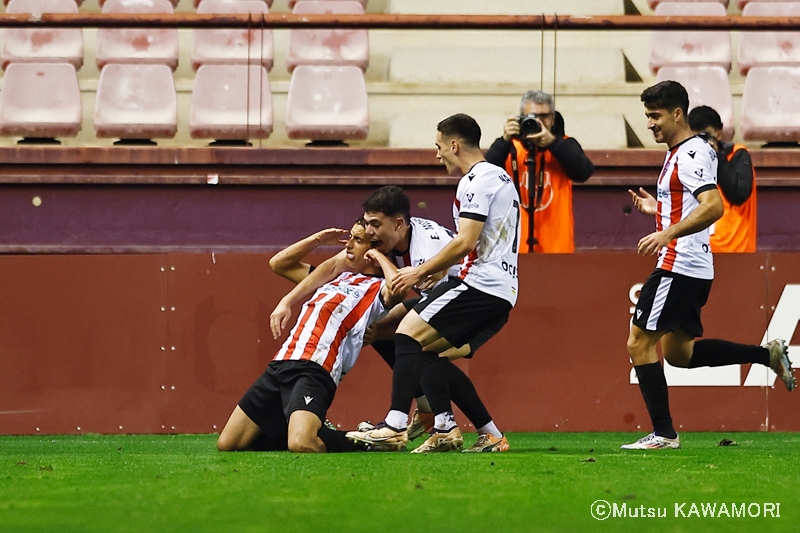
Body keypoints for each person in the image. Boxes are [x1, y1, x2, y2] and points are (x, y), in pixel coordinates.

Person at [270, 187, 511, 453]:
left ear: (397, 224)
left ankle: (424, 422)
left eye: (373, 227)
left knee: (420, 342)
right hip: (462, 292)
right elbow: (315, 266)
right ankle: (450, 422)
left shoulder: (417, 254)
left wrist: (382, 261)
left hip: (479, 299)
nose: (368, 235)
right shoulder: (389, 246)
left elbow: (404, 291)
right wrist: (291, 292)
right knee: (387, 331)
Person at [624, 81, 795, 451]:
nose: (650, 124)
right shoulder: (682, 152)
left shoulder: (690, 153)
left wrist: (668, 231)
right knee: (679, 355)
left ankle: (665, 434)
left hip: (678, 263)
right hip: (694, 266)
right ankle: (766, 355)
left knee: (638, 343)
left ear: (677, 114)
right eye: (647, 116)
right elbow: (693, 204)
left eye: (655, 116)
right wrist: (659, 210)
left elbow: (714, 205)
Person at [347, 113, 521, 453]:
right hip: (497, 286)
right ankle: (467, 430)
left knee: (406, 333)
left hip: (480, 283)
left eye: (439, 146)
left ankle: (396, 424)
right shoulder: (497, 177)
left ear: (454, 144)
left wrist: (416, 273)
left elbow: (466, 242)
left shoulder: (477, 180)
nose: (437, 153)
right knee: (421, 347)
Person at [216, 219, 403, 453]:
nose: (348, 245)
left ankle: (372, 441)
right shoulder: (335, 276)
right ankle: (315, 427)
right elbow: (279, 263)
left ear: (374, 250)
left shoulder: (377, 289)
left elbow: (398, 287)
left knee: (301, 443)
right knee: (229, 444)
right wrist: (317, 240)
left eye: (358, 240)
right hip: (282, 361)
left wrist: (380, 256)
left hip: (316, 367)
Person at [485, 90, 594, 253]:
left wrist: (553, 143)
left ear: (552, 118)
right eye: (531, 117)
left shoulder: (565, 144)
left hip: (556, 245)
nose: (537, 122)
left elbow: (583, 172)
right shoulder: (509, 147)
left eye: (543, 117)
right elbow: (484, 176)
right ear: (520, 117)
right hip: (514, 247)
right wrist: (504, 140)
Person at [687, 105, 757, 253]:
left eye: (705, 136)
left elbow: (739, 194)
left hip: (735, 251)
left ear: (718, 134)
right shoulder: (688, 161)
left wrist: (716, 156)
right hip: (700, 253)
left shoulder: (737, 155)